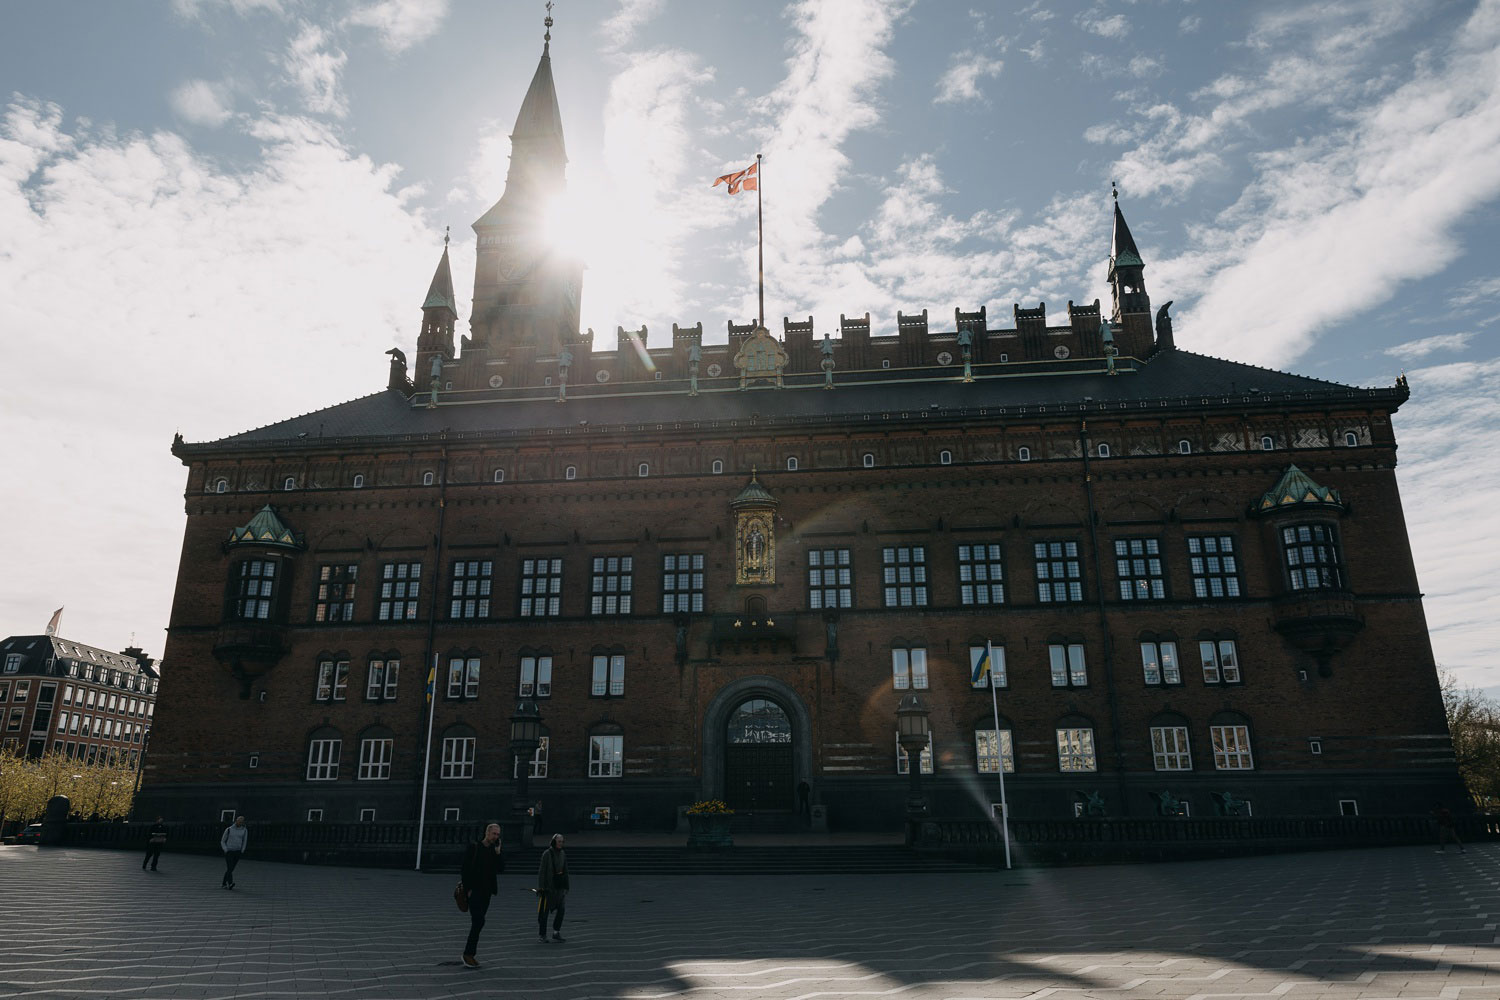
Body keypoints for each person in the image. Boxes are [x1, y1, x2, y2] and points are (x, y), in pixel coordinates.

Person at [459, 822, 505, 968]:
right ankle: (468, 954)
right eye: (494, 834)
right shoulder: (475, 847)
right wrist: (468, 890)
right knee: (479, 921)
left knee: (478, 922)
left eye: (498, 834)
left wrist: (498, 853)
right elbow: (465, 869)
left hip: (487, 892)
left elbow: (501, 869)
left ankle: (469, 954)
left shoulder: (493, 850)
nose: (496, 837)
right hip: (475, 891)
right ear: (487, 833)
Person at [536, 833, 568, 943]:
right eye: (559, 841)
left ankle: (556, 932)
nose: (561, 844)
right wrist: (541, 888)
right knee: (544, 913)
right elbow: (542, 872)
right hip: (548, 889)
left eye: (562, 842)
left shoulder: (563, 853)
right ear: (554, 842)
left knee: (561, 910)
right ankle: (542, 934)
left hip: (559, 888)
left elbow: (565, 870)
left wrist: (566, 885)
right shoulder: (547, 854)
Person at [220, 815, 248, 889]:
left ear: (243, 822)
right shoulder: (229, 829)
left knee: (231, 869)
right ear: (236, 821)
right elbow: (223, 841)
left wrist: (242, 850)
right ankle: (230, 883)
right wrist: (225, 849)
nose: (240, 822)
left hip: (238, 851)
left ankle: (223, 883)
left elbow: (244, 841)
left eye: (241, 821)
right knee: (230, 867)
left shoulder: (244, 830)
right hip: (229, 851)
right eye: (239, 821)